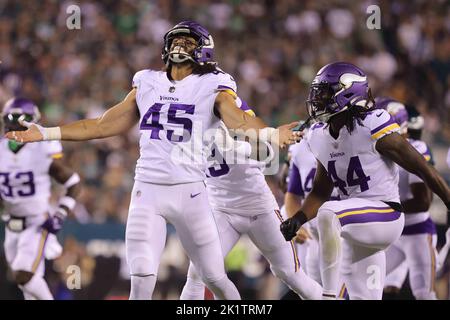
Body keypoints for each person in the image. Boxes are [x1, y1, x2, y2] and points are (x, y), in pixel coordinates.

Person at [5, 21, 300, 300]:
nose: (180, 46)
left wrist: (272, 134)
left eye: (188, 41)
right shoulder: (147, 82)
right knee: (142, 274)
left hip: (191, 190)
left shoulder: (214, 84)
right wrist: (45, 132)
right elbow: (101, 125)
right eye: (176, 40)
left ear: (203, 50)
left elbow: (238, 122)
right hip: (147, 188)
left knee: (213, 276)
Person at [280, 62, 450, 300]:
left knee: (328, 213)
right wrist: (297, 219)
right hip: (357, 224)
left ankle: (328, 295)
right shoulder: (319, 134)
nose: (317, 99)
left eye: (325, 92)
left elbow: (423, 169)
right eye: (317, 92)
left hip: (386, 214)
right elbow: (320, 191)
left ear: (348, 92)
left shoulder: (372, 124)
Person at [180, 98, 322, 300]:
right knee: (198, 273)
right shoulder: (189, 122)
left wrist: (267, 139)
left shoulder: (229, 107)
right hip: (221, 209)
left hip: (258, 208)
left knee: (291, 274)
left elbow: (263, 152)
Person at [0, 98, 81, 300]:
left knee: (23, 274)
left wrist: (61, 213)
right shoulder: (1, 150)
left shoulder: (41, 149)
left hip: (37, 223)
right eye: (12, 117)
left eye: (22, 118)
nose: (16, 123)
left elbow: (73, 182)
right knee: (26, 285)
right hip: (12, 224)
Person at [377, 98, 437, 300]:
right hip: (391, 233)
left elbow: (423, 202)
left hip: (417, 231)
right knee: (371, 286)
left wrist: (383, 208)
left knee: (424, 294)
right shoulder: (372, 151)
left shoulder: (416, 148)